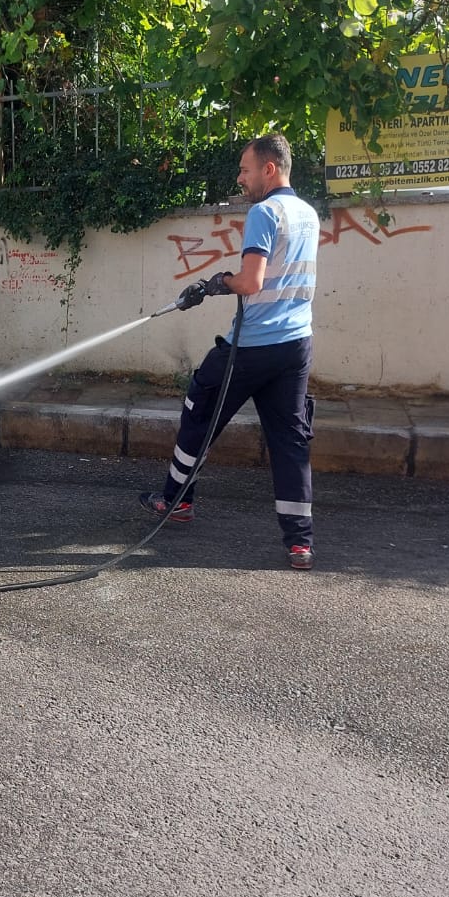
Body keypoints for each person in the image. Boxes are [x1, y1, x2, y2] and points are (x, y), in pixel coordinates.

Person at [139, 132, 320, 569]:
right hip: (296, 346)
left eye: (245, 169)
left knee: (199, 405)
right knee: (290, 438)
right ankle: (300, 542)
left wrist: (219, 283)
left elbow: (252, 282)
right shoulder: (308, 214)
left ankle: (175, 501)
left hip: (252, 347)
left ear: (269, 169)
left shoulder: (265, 212)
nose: (241, 178)